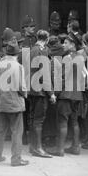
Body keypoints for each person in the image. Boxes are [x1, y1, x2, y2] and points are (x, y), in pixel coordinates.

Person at [0, 40, 29, 167]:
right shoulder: (18, 67)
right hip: (14, 104)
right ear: (17, 54)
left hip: (0, 102)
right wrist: (25, 96)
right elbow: (22, 87)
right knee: (17, 132)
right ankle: (16, 159)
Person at [48, 32, 85, 156]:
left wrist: (55, 93)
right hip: (77, 94)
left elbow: (61, 78)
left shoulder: (68, 58)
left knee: (62, 121)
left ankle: (60, 149)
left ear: (73, 44)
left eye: (66, 43)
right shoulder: (80, 58)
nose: (63, 45)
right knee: (74, 121)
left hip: (66, 94)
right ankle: (75, 147)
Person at [28, 30, 56, 158]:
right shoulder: (43, 51)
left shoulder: (31, 49)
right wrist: (51, 93)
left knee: (33, 119)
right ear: (47, 39)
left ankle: (33, 147)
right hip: (40, 91)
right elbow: (44, 74)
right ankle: (38, 148)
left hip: (32, 90)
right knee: (39, 120)